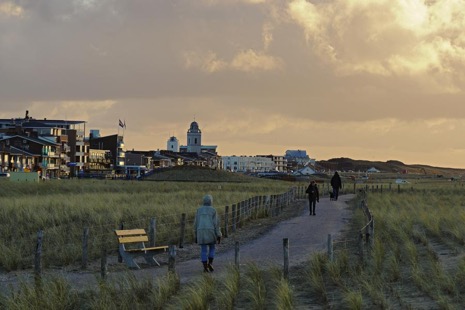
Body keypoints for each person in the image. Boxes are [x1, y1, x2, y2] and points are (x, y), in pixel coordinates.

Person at [194, 194, 222, 272]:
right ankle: (210, 263)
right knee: (212, 248)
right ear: (211, 201)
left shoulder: (199, 210)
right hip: (211, 231)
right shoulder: (213, 210)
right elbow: (216, 224)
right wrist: (219, 234)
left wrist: (195, 235)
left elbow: (195, 223)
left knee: (203, 250)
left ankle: (205, 267)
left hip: (200, 232)